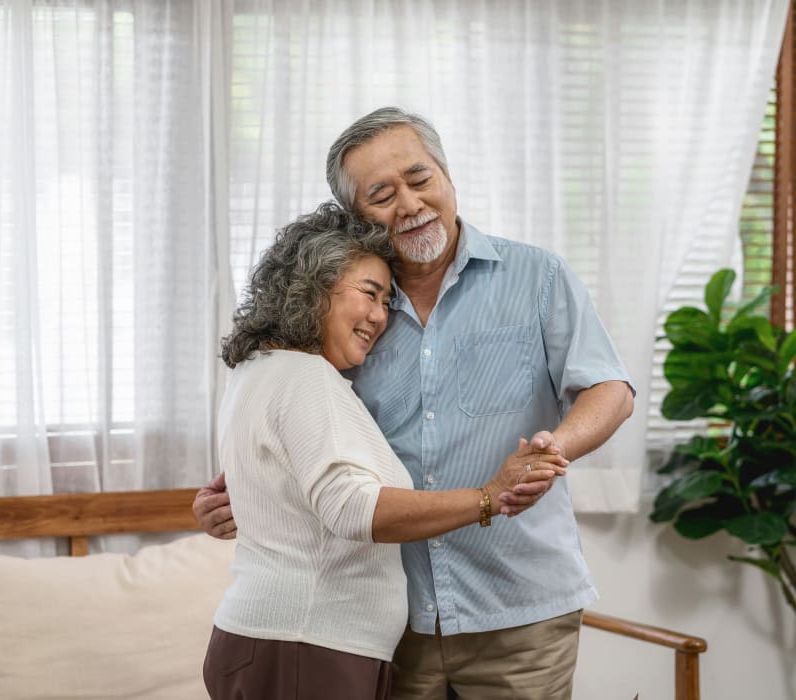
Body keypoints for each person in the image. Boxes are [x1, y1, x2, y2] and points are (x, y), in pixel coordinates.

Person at [195, 108, 635, 700]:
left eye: (419, 178)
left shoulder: (538, 276)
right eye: (381, 194)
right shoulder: (344, 314)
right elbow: (301, 426)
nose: (408, 203)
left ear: (448, 177)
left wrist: (558, 446)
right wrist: (251, 493)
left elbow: (610, 388)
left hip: (519, 609)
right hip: (394, 622)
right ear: (357, 216)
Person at [201, 201, 566, 700]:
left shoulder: (257, 371)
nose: (379, 317)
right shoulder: (306, 377)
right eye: (370, 295)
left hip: (280, 641)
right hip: (308, 647)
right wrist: (488, 496)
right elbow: (352, 509)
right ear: (312, 287)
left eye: (387, 302)